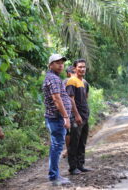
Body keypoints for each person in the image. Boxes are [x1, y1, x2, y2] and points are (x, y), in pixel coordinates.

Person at [43, 54, 72, 186]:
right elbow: (56, 99)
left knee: (56, 146)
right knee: (57, 146)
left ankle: (54, 174)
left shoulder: (53, 77)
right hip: (57, 118)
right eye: (57, 63)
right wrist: (66, 117)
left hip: (55, 118)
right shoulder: (53, 79)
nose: (61, 65)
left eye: (62, 63)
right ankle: (54, 176)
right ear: (50, 65)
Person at [66, 59, 91, 175]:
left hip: (84, 117)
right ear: (75, 68)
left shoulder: (84, 82)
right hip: (76, 117)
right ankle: (73, 167)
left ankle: (81, 165)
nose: (82, 69)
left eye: (84, 67)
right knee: (74, 142)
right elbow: (70, 99)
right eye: (80, 67)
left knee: (82, 142)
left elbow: (85, 98)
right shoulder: (71, 81)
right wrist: (76, 115)